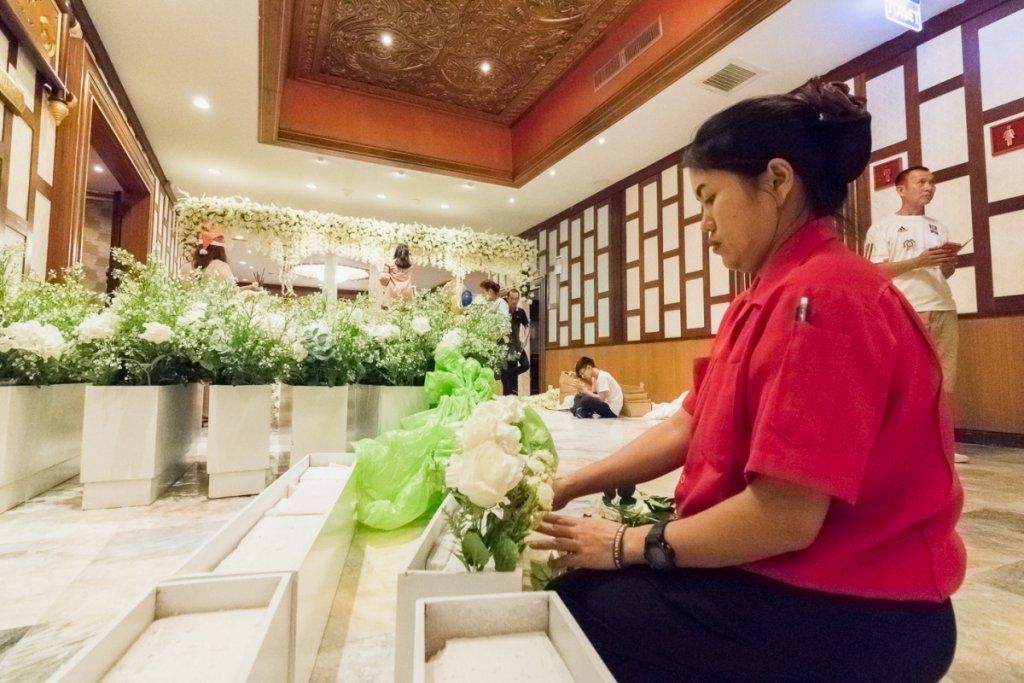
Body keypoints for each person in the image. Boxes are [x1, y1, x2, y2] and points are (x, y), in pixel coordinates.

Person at [534, 80, 964, 682]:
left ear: (777, 181)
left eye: (710, 198)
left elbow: (784, 516)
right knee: (582, 592)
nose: (704, 223)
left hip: (858, 602)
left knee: (576, 612)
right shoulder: (769, 293)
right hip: (796, 573)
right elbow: (687, 425)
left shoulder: (826, 296)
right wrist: (565, 485)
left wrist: (625, 544)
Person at [864, 167, 969, 463]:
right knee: (909, 381)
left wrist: (948, 262)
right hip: (905, 308)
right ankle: (904, 447)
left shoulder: (938, 227)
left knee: (945, 381)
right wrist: (918, 261)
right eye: (921, 182)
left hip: (943, 306)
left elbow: (944, 274)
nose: (929, 187)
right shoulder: (882, 228)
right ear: (901, 189)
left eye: (932, 182)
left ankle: (944, 446)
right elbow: (874, 271)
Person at [500, 288, 531, 396]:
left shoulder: (520, 312)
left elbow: (527, 325)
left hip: (517, 346)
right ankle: (507, 400)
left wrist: (525, 338)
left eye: (516, 299)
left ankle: (508, 374)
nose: (514, 301)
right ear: (507, 298)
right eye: (512, 298)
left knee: (526, 365)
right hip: (504, 348)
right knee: (508, 384)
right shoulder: (502, 312)